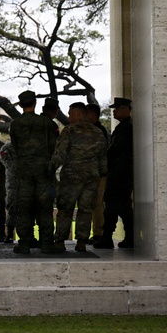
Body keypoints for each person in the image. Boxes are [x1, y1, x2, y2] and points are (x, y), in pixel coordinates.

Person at [9, 90, 65, 255]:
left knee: (24, 207)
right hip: (43, 170)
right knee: (45, 208)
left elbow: (15, 147)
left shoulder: (16, 124)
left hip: (24, 170)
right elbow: (53, 146)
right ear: (35, 103)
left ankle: (24, 243)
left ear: (20, 105)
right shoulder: (46, 123)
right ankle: (46, 243)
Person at [52, 102, 108, 252]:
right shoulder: (98, 132)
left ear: (78, 114)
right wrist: (102, 172)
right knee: (85, 209)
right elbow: (103, 157)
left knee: (65, 208)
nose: (69, 117)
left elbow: (60, 153)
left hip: (72, 176)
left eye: (70, 114)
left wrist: (50, 168)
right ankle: (81, 242)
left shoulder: (69, 131)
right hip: (92, 177)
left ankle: (60, 241)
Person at [95, 97, 135, 249]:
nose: (114, 111)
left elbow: (115, 150)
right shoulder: (125, 126)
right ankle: (129, 236)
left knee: (112, 205)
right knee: (123, 207)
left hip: (120, 174)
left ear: (125, 109)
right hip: (122, 173)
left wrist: (105, 161)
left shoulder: (125, 127)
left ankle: (107, 237)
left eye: (117, 108)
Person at [86, 103, 110, 244]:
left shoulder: (98, 130)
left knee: (97, 204)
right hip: (95, 172)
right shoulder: (98, 130)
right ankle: (97, 233)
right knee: (95, 204)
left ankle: (99, 233)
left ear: (92, 114)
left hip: (99, 173)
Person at [0, 138, 17, 244]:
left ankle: (28, 235)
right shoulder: (7, 147)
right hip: (13, 182)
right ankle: (9, 234)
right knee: (12, 207)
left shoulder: (27, 147)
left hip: (27, 182)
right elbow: (7, 164)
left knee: (28, 209)